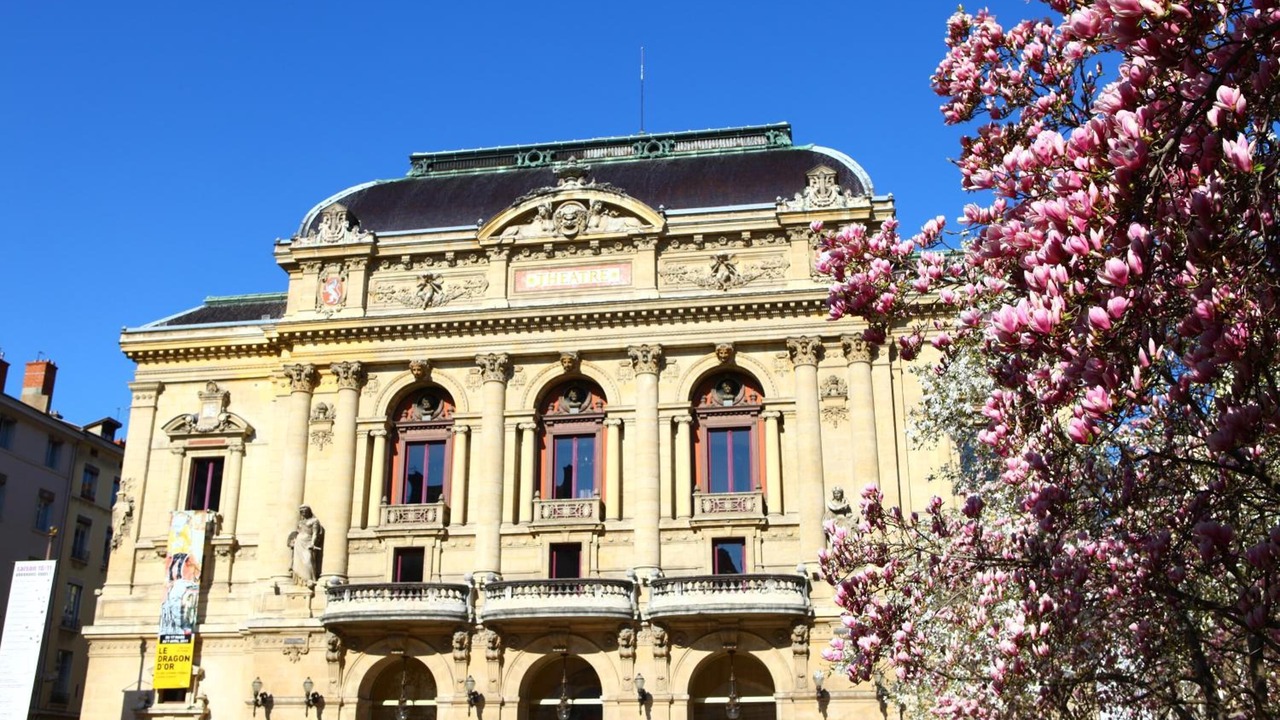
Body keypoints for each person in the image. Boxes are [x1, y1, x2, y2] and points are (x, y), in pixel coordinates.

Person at [288, 505, 323, 586]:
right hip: (299, 542)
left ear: (309, 511)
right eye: (302, 512)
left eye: (305, 511)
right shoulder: (300, 522)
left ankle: (310, 579)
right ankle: (301, 581)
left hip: (308, 541)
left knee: (308, 560)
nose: (303, 513)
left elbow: (315, 533)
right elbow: (298, 532)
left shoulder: (314, 521)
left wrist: (313, 543)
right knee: (297, 562)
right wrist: (293, 541)